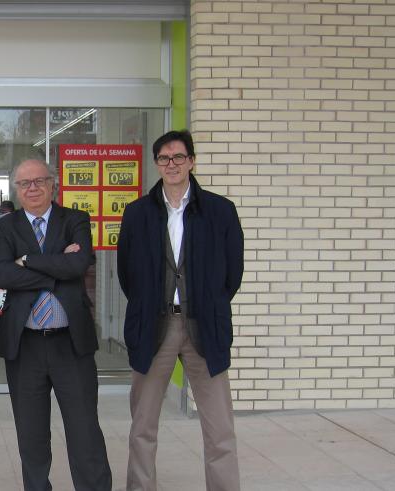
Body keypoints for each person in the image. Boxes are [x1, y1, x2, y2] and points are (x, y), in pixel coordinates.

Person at [117, 129, 243, 491]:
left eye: (178, 157)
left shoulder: (220, 210)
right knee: (143, 428)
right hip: (155, 328)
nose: (171, 164)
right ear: (156, 164)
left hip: (204, 326)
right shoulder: (138, 213)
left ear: (191, 161)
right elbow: (128, 273)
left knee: (220, 429)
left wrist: (208, 303)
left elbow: (232, 273)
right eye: (164, 158)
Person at [0, 159, 113, 490]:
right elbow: (3, 274)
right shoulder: (5, 226)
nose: (32, 188)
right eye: (25, 183)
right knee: (31, 434)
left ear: (53, 184)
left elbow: (78, 265)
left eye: (39, 181)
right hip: (25, 345)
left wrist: (28, 261)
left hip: (71, 343)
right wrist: (57, 266)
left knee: (85, 430)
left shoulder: (74, 219)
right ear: (16, 190)